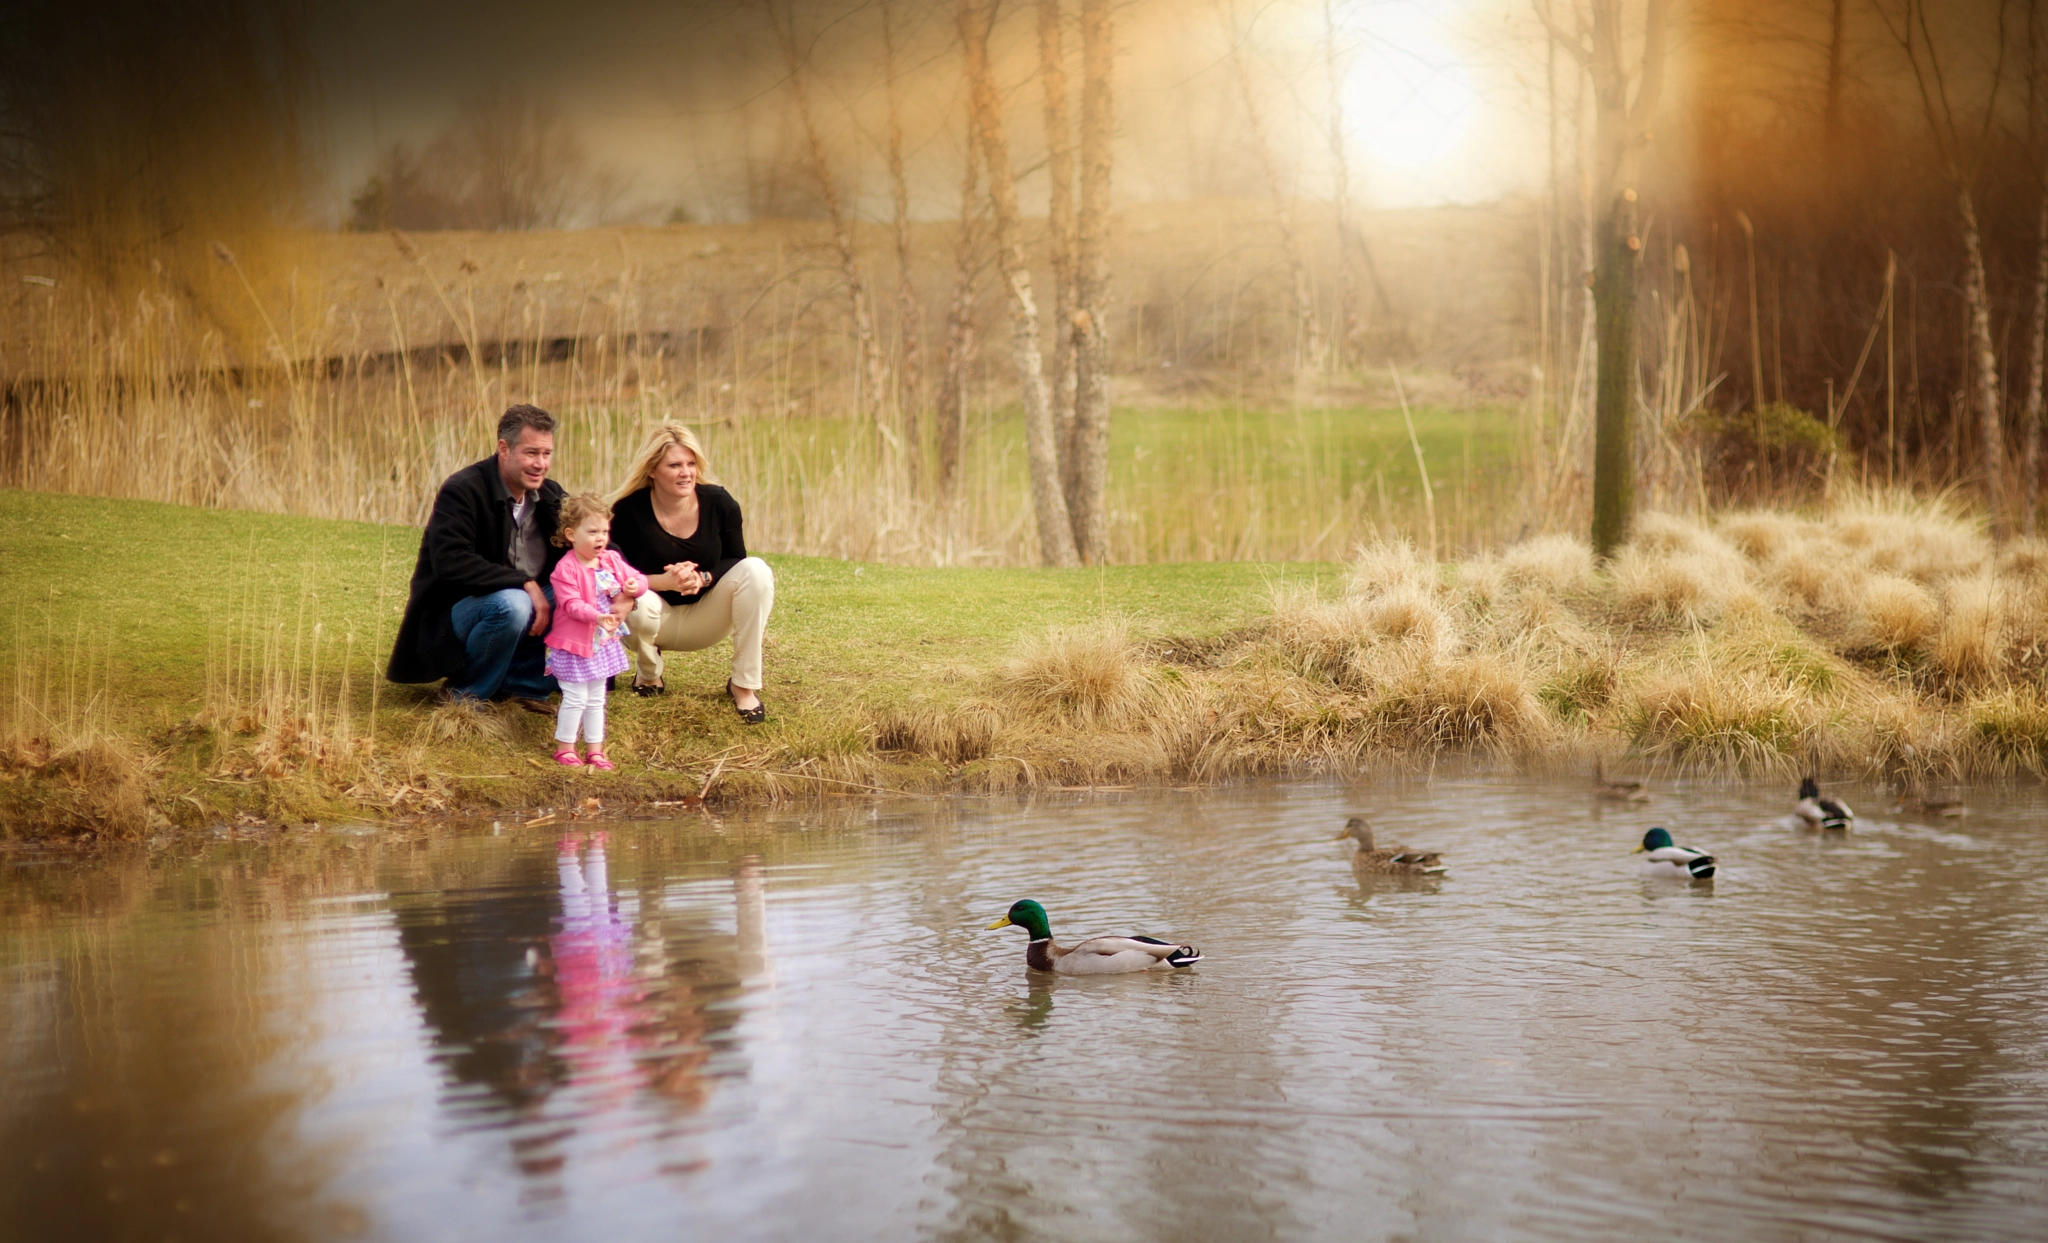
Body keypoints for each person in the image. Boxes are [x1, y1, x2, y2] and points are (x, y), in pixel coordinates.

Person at [386, 404, 566, 709]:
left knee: (584, 593)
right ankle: (464, 694)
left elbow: (592, 534)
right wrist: (525, 582)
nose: (541, 464)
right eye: (532, 453)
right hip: (459, 612)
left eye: (547, 454)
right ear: (504, 448)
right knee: (513, 604)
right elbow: (452, 562)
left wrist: (625, 581)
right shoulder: (463, 490)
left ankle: (522, 685)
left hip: (523, 605)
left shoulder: (549, 494)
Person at [608, 422, 776, 722]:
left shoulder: (719, 503)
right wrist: (664, 581)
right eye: (674, 465)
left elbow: (736, 559)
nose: (686, 472)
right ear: (651, 470)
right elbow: (612, 575)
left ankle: (744, 685)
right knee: (634, 598)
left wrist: (702, 578)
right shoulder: (626, 512)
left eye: (691, 463)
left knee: (757, 571)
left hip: (706, 616)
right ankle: (648, 674)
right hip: (651, 616)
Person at [543, 493, 647, 768]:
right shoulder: (566, 568)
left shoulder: (611, 560)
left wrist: (637, 587)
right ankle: (565, 747)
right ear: (571, 534)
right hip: (575, 644)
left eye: (604, 531)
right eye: (592, 532)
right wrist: (598, 616)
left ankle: (595, 749)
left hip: (601, 644)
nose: (600, 537)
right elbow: (571, 604)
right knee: (576, 696)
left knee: (597, 697)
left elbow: (637, 577)